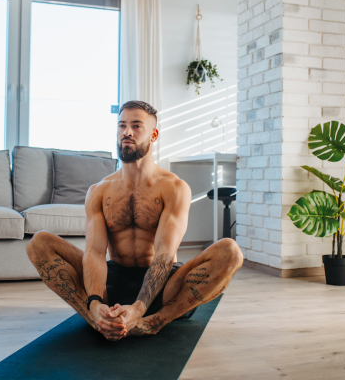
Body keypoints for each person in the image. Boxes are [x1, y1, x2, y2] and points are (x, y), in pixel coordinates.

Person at [26, 100, 243, 341]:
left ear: (154, 134)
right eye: (122, 126)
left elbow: (163, 253)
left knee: (230, 252)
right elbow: (95, 252)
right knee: (40, 243)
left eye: (136, 126)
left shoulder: (174, 188)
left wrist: (139, 308)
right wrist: (95, 301)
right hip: (114, 280)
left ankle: (152, 322)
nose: (126, 132)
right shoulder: (99, 190)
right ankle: (97, 319)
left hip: (162, 287)